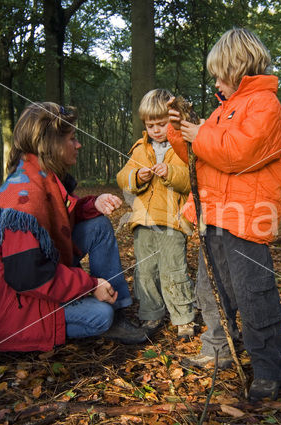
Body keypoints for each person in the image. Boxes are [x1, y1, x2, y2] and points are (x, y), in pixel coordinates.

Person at [0, 102, 147, 352]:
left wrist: (93, 204)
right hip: (8, 311)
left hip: (23, 289)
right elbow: (27, 276)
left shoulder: (38, 174)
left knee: (98, 225)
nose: (78, 145)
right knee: (100, 315)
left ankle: (118, 309)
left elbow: (59, 215)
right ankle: (105, 313)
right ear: (51, 144)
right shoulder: (22, 199)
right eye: (72, 138)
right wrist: (90, 285)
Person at [167, 28, 281, 401]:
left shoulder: (264, 105)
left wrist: (199, 134)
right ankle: (217, 347)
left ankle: (267, 367)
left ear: (238, 68)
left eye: (220, 74)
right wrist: (179, 132)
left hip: (247, 219)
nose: (216, 82)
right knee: (211, 288)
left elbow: (238, 153)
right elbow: (201, 157)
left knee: (254, 294)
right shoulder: (224, 109)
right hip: (215, 216)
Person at [117, 89, 196, 340]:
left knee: (173, 269)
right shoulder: (140, 148)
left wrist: (170, 172)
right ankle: (151, 313)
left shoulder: (182, 147)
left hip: (172, 221)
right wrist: (135, 177)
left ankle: (183, 317)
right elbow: (122, 178)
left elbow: (191, 180)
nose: (156, 130)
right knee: (146, 270)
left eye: (161, 124)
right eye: (151, 125)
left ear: (172, 121)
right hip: (143, 221)